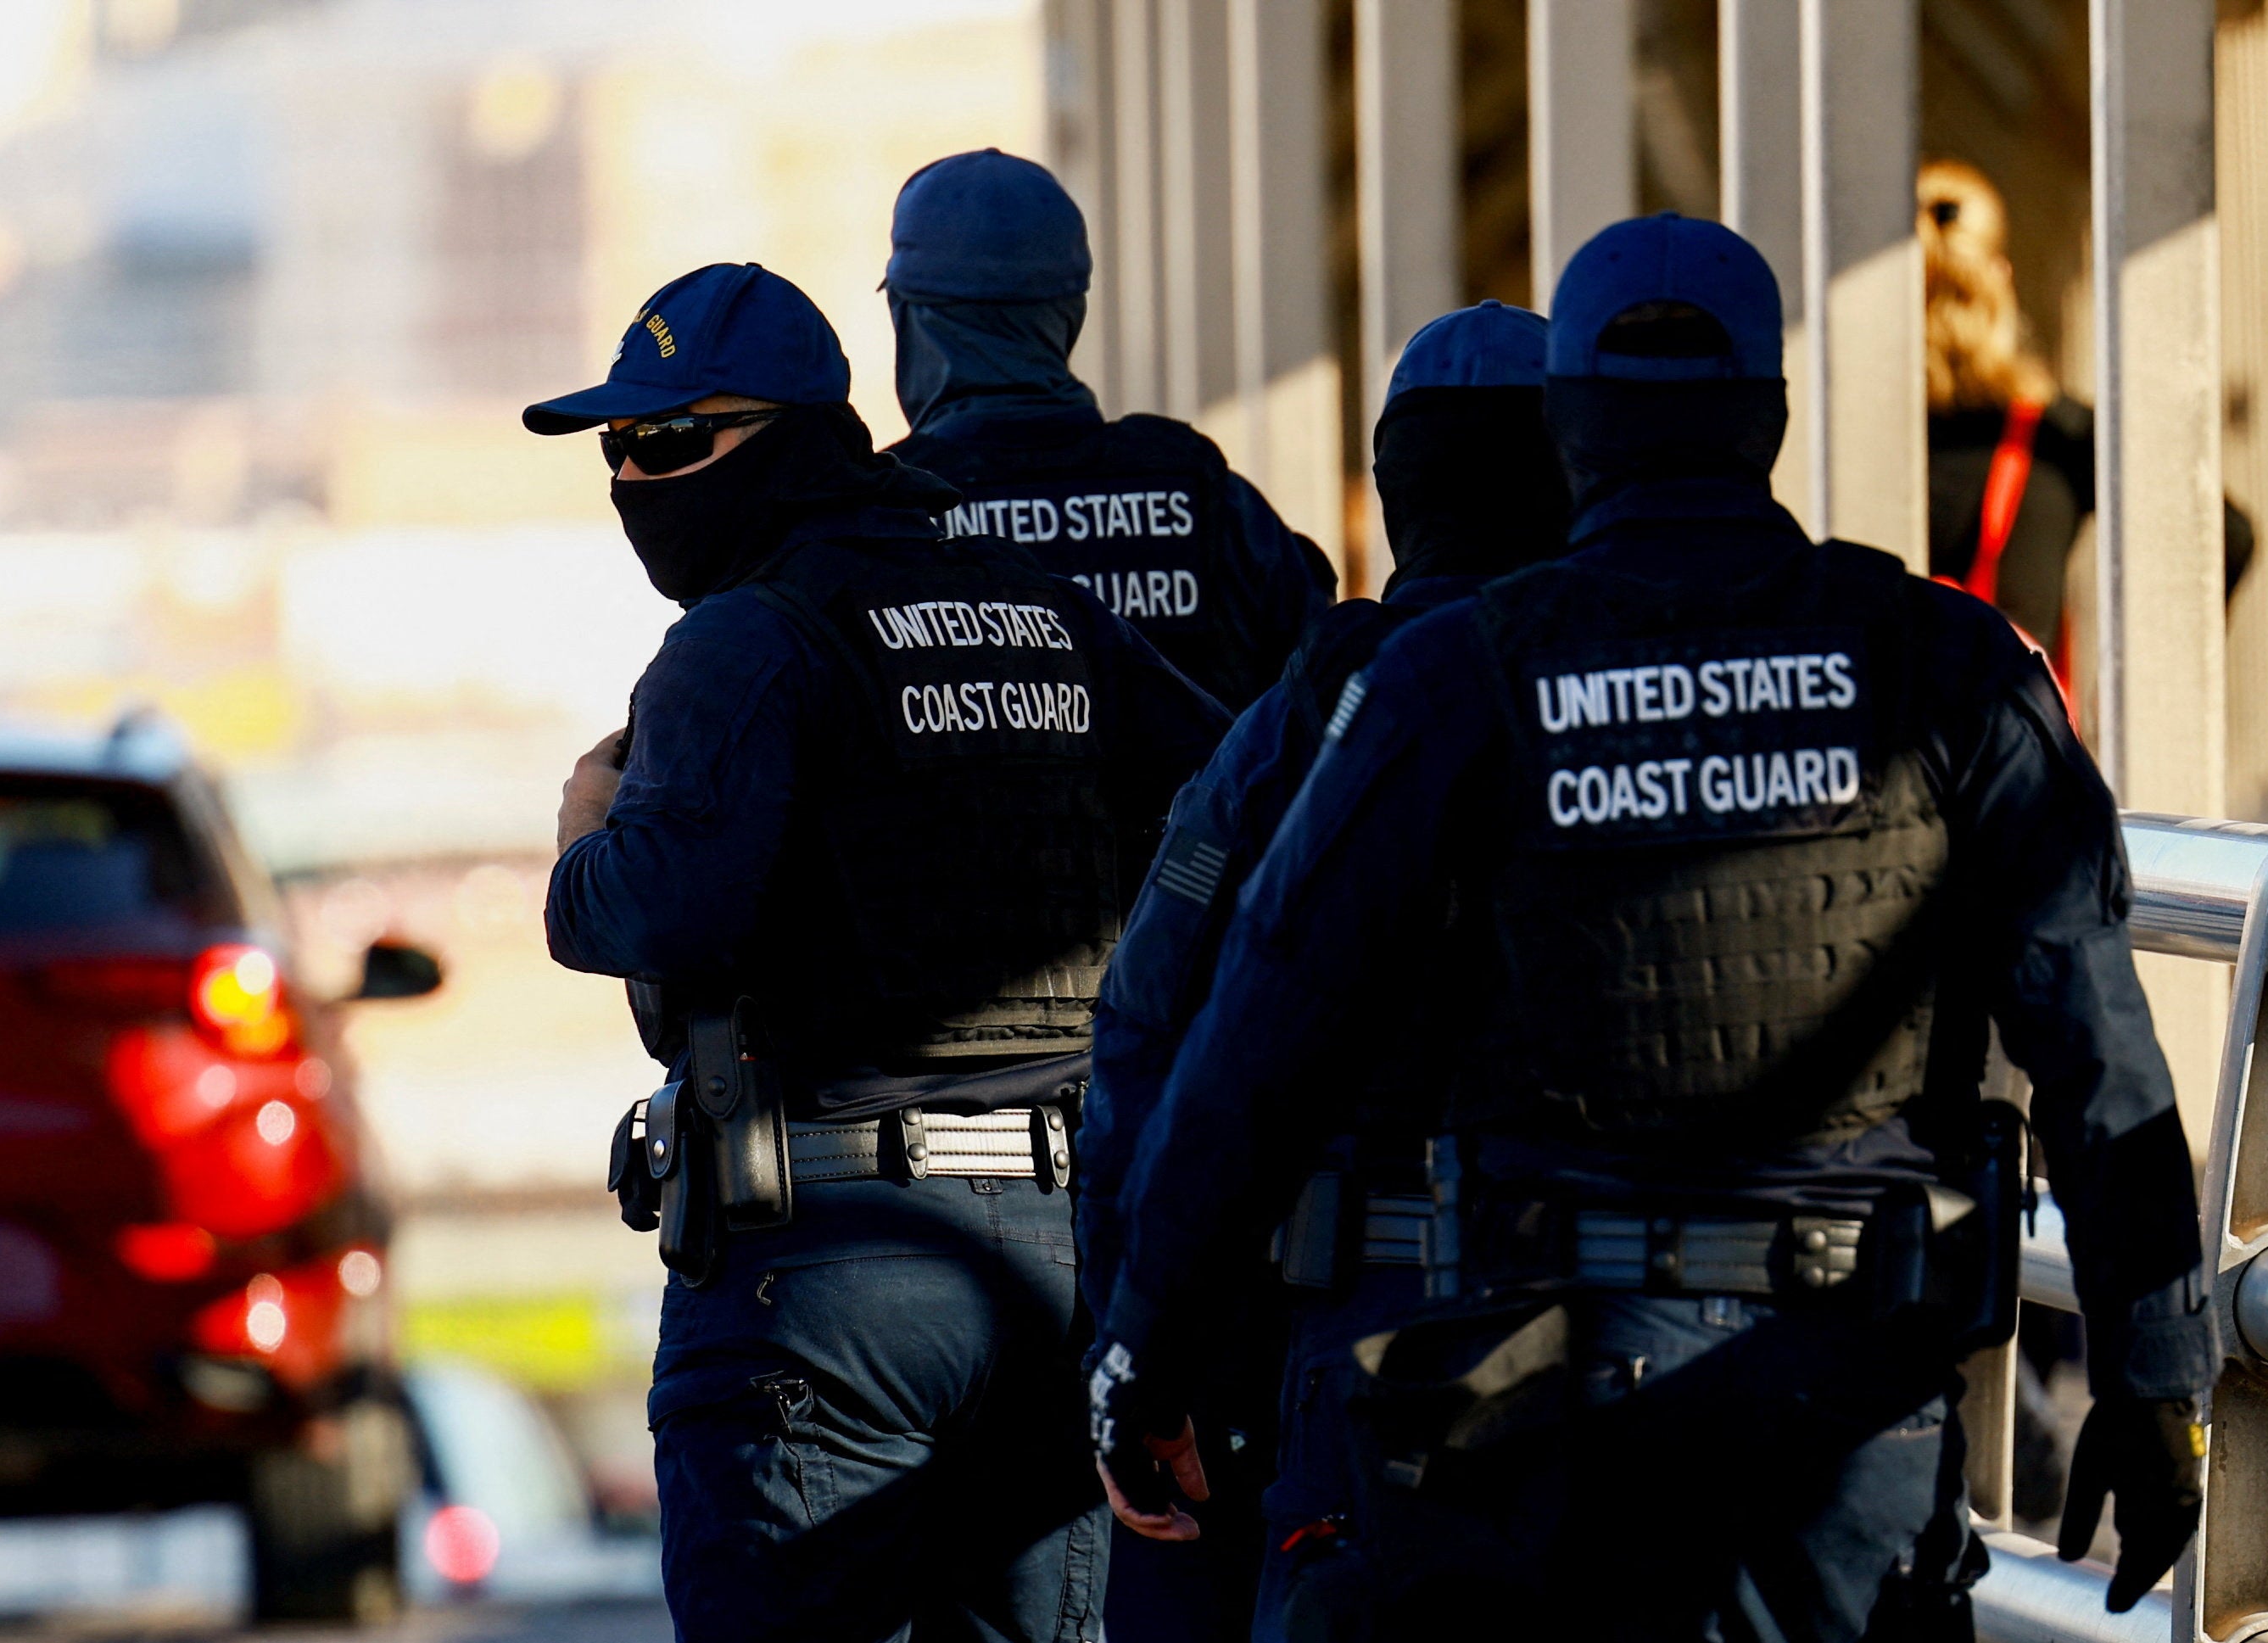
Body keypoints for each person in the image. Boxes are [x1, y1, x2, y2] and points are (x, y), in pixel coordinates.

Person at [1087, 215, 2213, 1640]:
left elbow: (1258, 1035)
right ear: (1772, 412)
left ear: (1574, 427)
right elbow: (2102, 1053)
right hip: (1839, 1410)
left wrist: (1145, 1352)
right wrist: (2155, 1373)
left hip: (1518, 1408)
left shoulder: (1457, 679)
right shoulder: (1946, 663)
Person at [531, 261, 1231, 1643]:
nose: (633, 473)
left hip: (825, 1273)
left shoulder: (743, 642)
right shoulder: (1045, 615)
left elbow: (663, 911)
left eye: (667, 439)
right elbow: (1240, 803)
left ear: (785, 434)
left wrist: (580, 845)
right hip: (1060, 1261)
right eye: (617, 446)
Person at [1075, 299, 1569, 1640]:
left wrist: (1136, 1351)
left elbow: (1146, 1029)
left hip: (1365, 1338)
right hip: (1657, 1332)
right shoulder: (1643, 685)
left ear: (1394, 490)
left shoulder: (1300, 721)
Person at [884, 148, 1336, 712]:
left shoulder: (881, 520)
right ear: (1069, 312)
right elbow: (1328, 713)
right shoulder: (1216, 503)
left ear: (911, 318)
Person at [1921, 157, 2252, 684]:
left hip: (1874, 758)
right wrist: (2149, 692)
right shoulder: (2059, 436)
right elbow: (2226, 536)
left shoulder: (1848, 440)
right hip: (2016, 759)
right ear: (1999, 273)